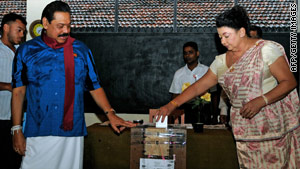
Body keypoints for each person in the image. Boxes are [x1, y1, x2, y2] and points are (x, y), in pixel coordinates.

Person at [156, 5, 300, 168]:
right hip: (244, 134)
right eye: (220, 37)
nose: (222, 41)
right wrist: (171, 105)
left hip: (273, 133)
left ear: (241, 32)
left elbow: (289, 82)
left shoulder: (266, 50)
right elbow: (198, 87)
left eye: (226, 36)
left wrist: (261, 101)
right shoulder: (221, 62)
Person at [11, 1, 135, 169]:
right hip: (38, 128)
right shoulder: (26, 50)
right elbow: (18, 92)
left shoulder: (81, 50)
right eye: (60, 26)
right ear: (45, 23)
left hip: (71, 130)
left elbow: (94, 86)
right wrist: (17, 129)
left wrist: (110, 113)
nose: (66, 31)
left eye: (68, 26)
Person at [219, 25, 263, 124]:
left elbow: (287, 84)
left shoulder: (268, 56)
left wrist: (261, 101)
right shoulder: (234, 59)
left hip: (264, 118)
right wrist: (223, 110)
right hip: (239, 120)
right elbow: (226, 86)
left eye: (254, 39)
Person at [0, 13, 26, 169]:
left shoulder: (22, 51)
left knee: (16, 161)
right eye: (19, 30)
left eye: (23, 31)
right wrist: (8, 86)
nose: (22, 35)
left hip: (18, 119)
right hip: (1, 117)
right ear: (6, 27)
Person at [169, 42, 209, 123]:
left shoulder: (207, 71)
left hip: (204, 113)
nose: (187, 55)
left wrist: (214, 116)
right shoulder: (179, 73)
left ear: (197, 53)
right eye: (185, 53)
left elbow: (214, 94)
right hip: (185, 114)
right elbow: (175, 96)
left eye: (190, 52)